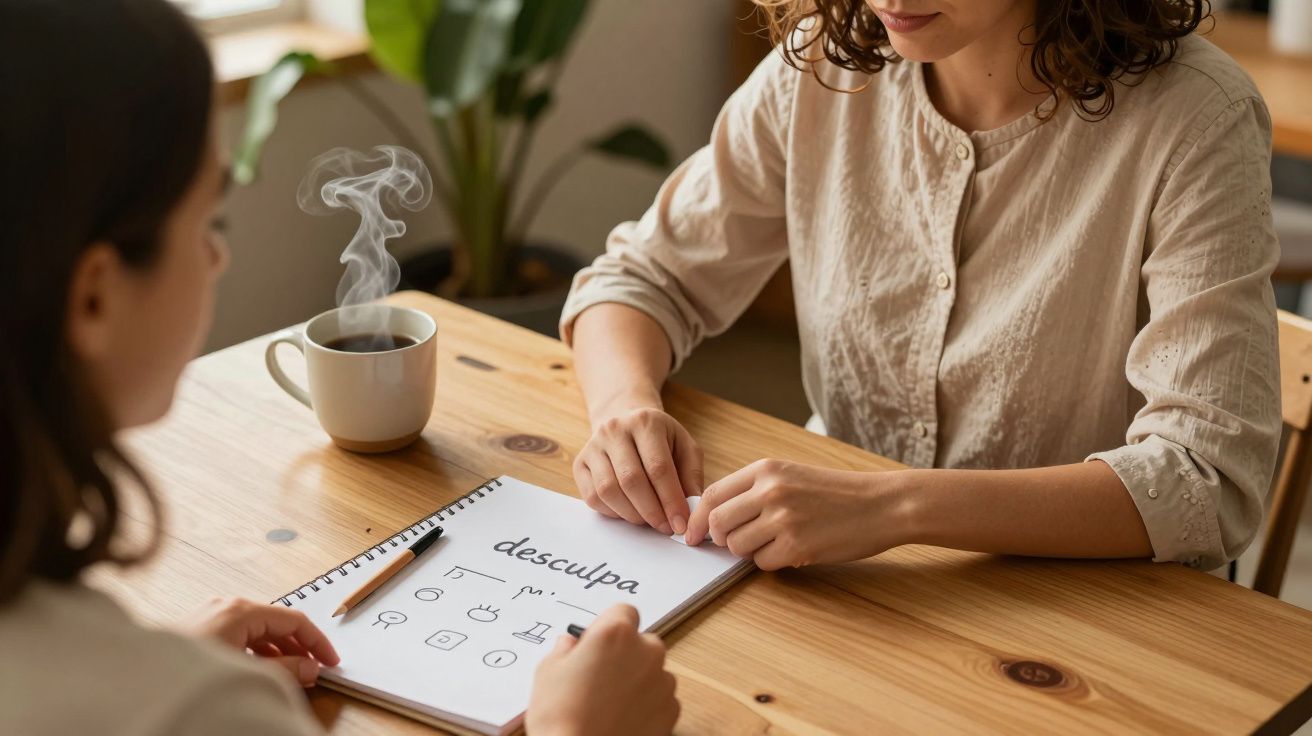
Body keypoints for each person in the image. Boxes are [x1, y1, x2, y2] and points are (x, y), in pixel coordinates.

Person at [0, 2, 677, 734]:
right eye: (207, 225)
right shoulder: (198, 710)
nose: (217, 257)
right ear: (95, 295)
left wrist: (158, 667)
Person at [562, 0, 1281, 573]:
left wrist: (896, 506)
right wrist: (624, 410)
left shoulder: (1196, 117)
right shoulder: (820, 65)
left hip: (1093, 615)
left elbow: (1204, 481)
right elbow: (642, 277)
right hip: (834, 583)